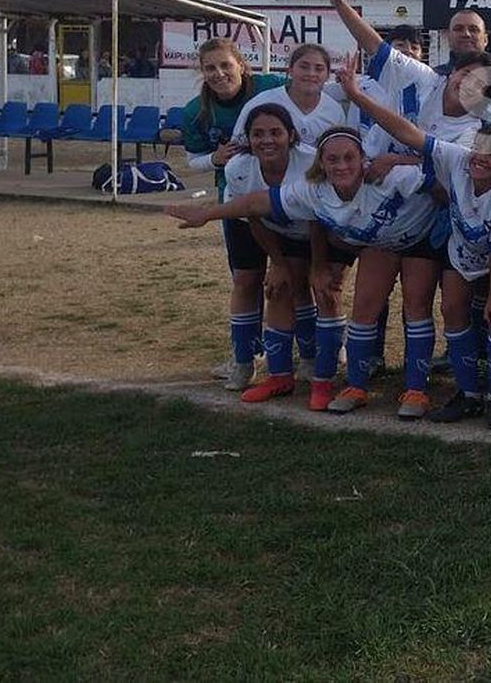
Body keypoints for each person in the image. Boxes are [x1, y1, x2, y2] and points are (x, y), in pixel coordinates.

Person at [168, 124, 436, 414]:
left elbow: (443, 177)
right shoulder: (314, 190)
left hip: (421, 238)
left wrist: (444, 217)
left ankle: (416, 391)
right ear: (320, 162)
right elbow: (258, 202)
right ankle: (356, 386)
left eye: (349, 157)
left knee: (416, 303)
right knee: (364, 307)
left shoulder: (391, 177)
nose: (342, 165)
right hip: (382, 244)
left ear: (363, 159)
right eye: (332, 159)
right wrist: (207, 214)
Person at [335, 67, 491, 427]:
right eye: (479, 148)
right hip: (461, 252)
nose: (482, 158)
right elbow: (406, 131)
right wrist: (359, 97)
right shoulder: (457, 158)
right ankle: (468, 393)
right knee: (452, 308)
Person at [180, 36, 287, 389]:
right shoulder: (196, 111)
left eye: (225, 65)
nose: (219, 73)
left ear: (241, 63)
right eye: (210, 67)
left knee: (294, 279)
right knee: (246, 278)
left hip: (285, 197)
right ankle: (244, 358)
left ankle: (310, 351)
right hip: (238, 204)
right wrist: (214, 158)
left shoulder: (271, 86)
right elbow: (190, 159)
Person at [220, 103, 320, 404]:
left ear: (291, 135)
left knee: (301, 283)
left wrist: (316, 265)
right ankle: (244, 361)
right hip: (254, 222)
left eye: (275, 132)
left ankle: (309, 357)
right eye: (257, 134)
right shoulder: (238, 167)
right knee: (249, 282)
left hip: (304, 227)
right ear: (248, 138)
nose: (266, 140)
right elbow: (251, 215)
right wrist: (276, 262)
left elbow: (316, 220)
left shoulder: (311, 163)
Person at [229, 43, 345, 148]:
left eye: (319, 69)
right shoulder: (261, 103)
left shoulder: (335, 111)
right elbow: (237, 149)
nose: (311, 73)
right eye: (304, 67)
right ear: (290, 70)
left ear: (327, 75)